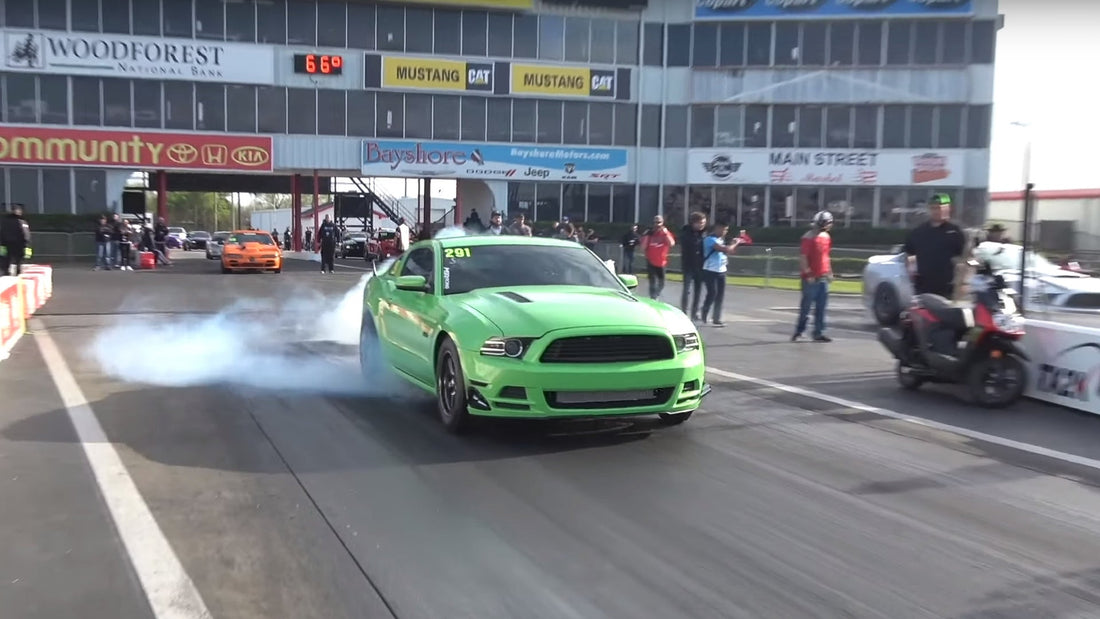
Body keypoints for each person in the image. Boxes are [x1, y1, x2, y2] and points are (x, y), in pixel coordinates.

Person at [902, 194, 966, 298]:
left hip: (948, 288)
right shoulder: (919, 232)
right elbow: (909, 253)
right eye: (934, 208)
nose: (937, 211)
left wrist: (963, 282)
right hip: (923, 287)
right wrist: (910, 270)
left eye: (941, 208)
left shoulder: (956, 232)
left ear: (949, 209)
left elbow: (966, 258)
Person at [792, 211, 834, 343]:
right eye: (828, 223)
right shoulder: (808, 237)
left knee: (821, 307)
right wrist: (808, 273)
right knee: (806, 307)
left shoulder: (826, 237)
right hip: (811, 279)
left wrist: (829, 271)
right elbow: (803, 257)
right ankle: (799, 332)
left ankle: (818, 332)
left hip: (822, 277)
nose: (830, 225)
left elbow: (826, 256)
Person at [698, 222, 742, 327]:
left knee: (720, 295)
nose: (724, 232)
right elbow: (724, 249)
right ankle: (704, 311)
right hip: (710, 270)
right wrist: (735, 243)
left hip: (721, 270)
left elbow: (729, 251)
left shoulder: (721, 240)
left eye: (726, 230)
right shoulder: (709, 239)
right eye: (723, 229)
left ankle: (716, 317)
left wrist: (732, 244)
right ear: (717, 229)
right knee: (712, 293)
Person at [679, 211, 708, 320]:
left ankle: (695, 312)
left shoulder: (704, 234)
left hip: (700, 266)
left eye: (703, 223)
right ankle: (684, 312)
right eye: (700, 223)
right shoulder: (686, 233)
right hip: (688, 266)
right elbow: (690, 246)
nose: (702, 225)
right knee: (687, 290)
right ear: (693, 223)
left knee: (698, 290)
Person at [640, 215, 676, 301]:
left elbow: (671, 243)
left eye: (659, 222)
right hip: (651, 261)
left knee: (662, 283)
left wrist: (665, 233)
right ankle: (653, 298)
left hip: (662, 262)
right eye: (655, 222)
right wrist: (647, 236)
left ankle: (656, 294)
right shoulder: (649, 233)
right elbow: (643, 247)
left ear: (662, 223)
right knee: (652, 282)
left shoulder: (665, 233)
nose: (657, 224)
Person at [0, 204, 31, 276]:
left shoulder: (4, 221)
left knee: (5, 261)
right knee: (18, 261)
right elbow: (26, 235)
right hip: (18, 244)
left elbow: (1, 232)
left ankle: (5, 273)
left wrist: (1, 243)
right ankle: (18, 274)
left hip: (6, 244)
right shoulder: (21, 222)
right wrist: (27, 245)